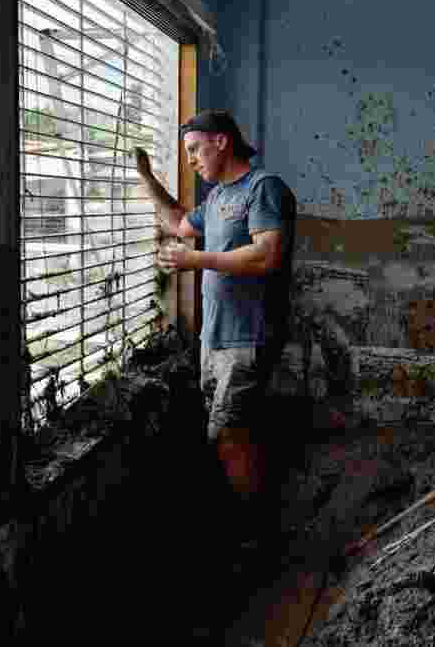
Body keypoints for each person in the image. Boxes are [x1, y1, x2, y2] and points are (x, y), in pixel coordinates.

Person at [133, 109, 296, 552]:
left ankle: (256, 537)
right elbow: (179, 225)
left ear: (221, 142)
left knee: (227, 434)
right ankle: (256, 520)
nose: (189, 161)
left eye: (193, 150)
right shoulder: (219, 198)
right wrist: (146, 177)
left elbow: (266, 256)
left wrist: (195, 259)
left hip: (247, 336)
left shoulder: (262, 189)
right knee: (236, 433)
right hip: (216, 338)